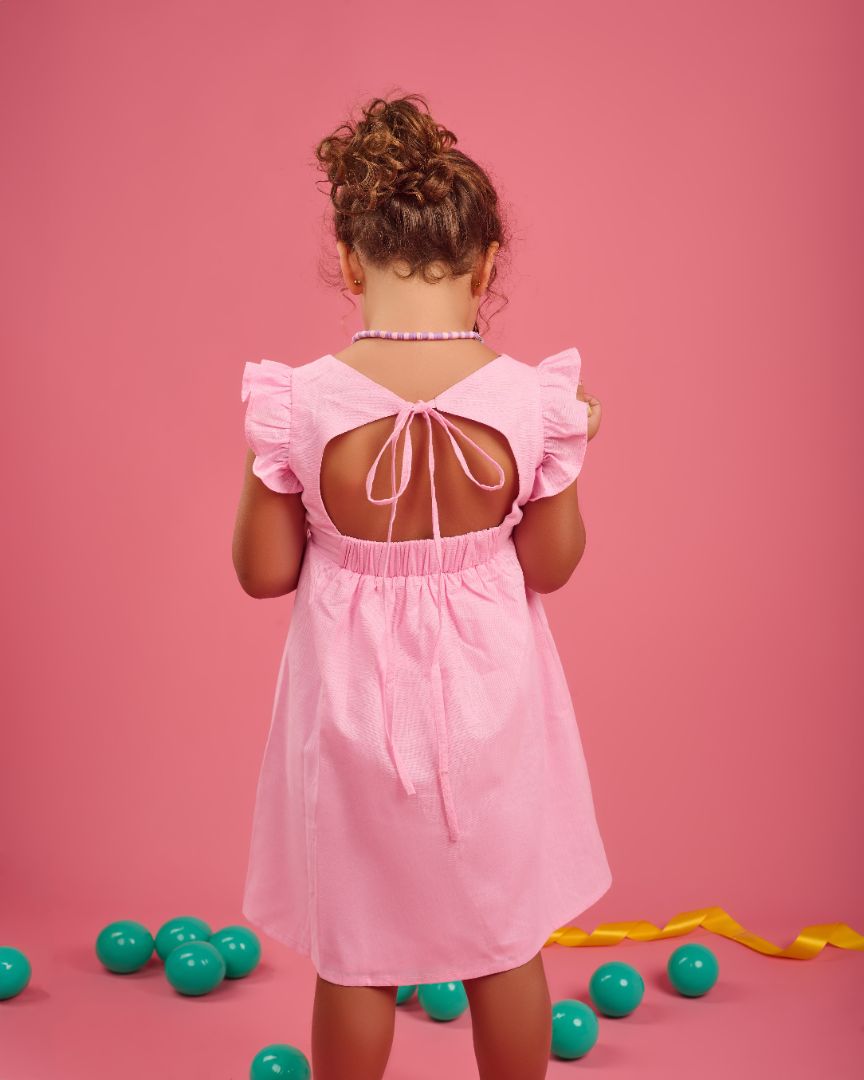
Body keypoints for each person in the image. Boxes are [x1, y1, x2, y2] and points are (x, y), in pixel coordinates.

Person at [232, 92, 611, 1080]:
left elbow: (265, 573)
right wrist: (567, 460)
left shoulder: (299, 403)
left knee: (355, 958)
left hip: (350, 709)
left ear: (353, 263)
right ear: (486, 266)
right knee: (504, 941)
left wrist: (266, 462)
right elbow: (548, 567)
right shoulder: (532, 401)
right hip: (493, 707)